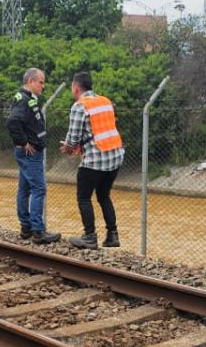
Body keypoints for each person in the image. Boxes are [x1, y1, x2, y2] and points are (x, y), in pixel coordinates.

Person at [61, 71, 123, 249]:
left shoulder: (80, 106)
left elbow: (73, 139)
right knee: (104, 195)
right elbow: (98, 130)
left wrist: (67, 147)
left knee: (83, 197)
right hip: (115, 157)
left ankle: (90, 236)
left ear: (76, 87)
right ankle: (112, 235)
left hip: (95, 159)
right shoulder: (105, 101)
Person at [7, 67, 59, 244]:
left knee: (25, 188)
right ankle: (38, 230)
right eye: (41, 82)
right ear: (31, 81)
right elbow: (13, 121)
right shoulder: (24, 99)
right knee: (39, 188)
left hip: (29, 152)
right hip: (31, 153)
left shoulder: (25, 98)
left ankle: (26, 227)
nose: (42, 86)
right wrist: (23, 142)